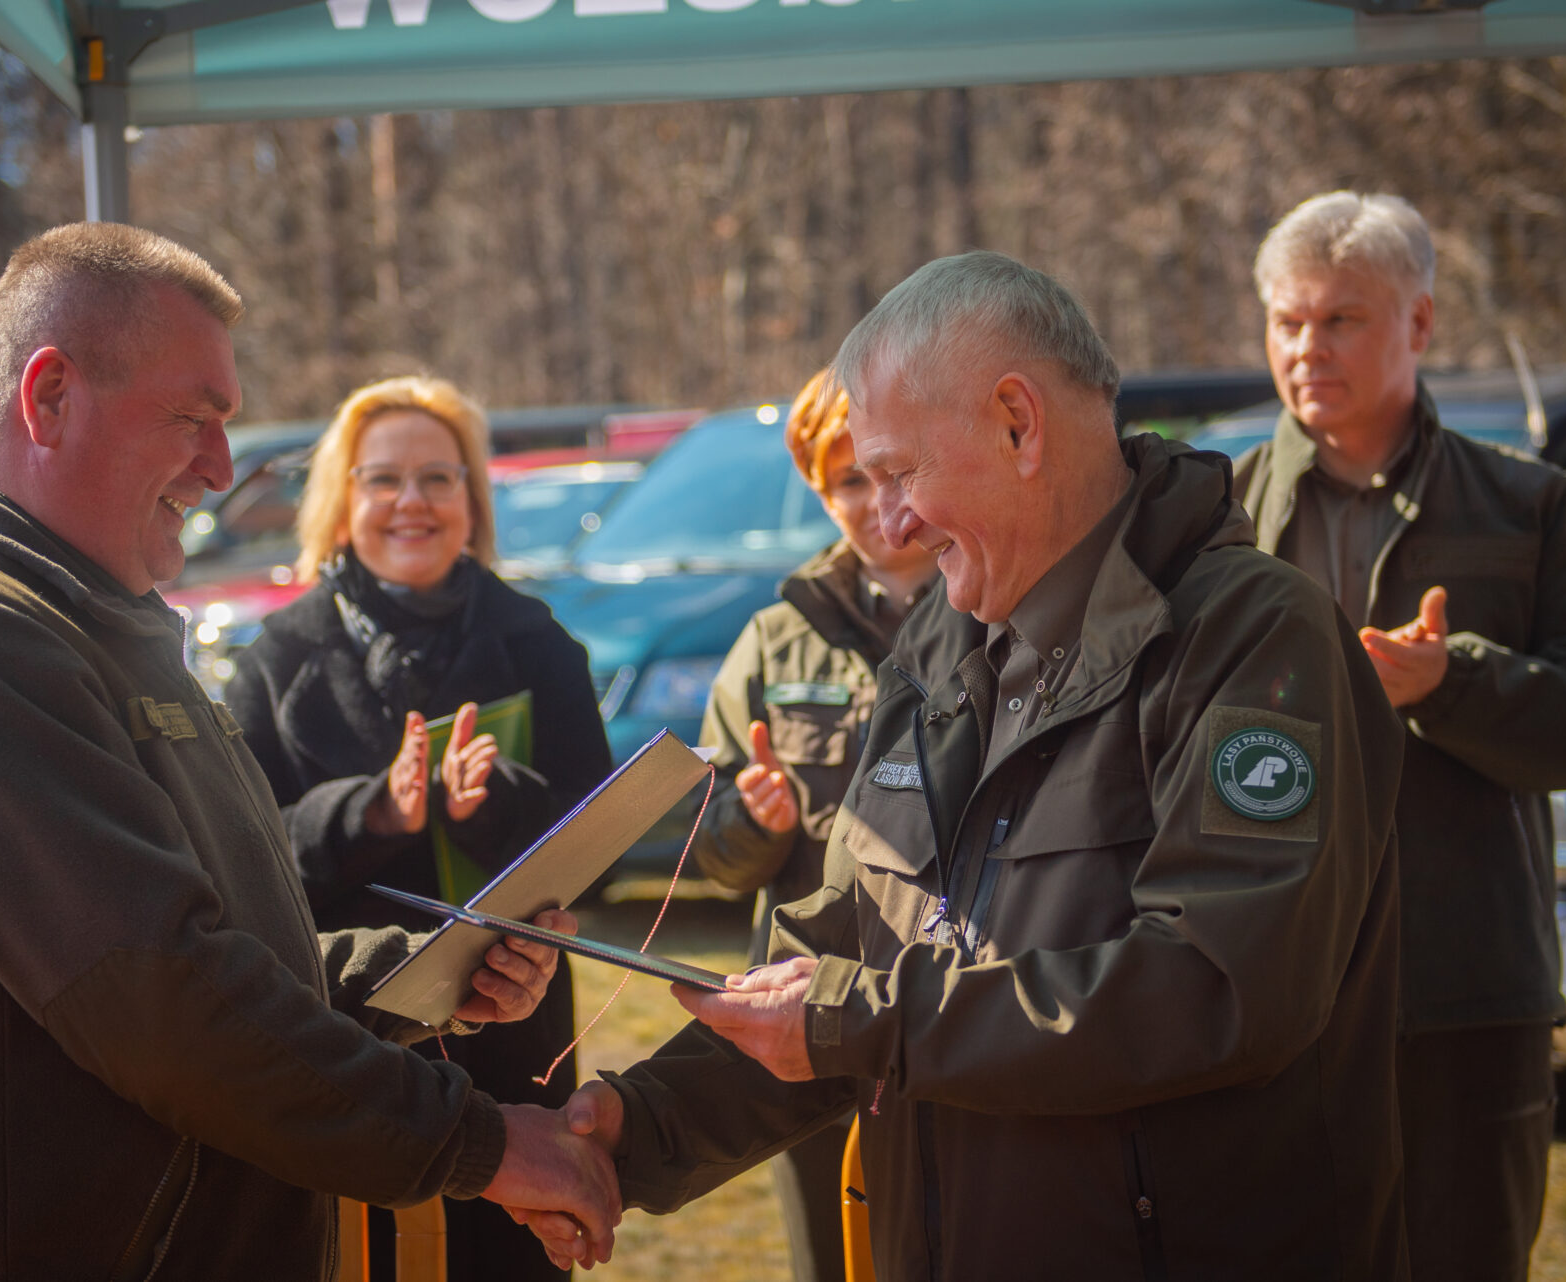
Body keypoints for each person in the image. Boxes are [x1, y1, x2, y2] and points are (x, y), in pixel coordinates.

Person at [533, 249, 1412, 1279]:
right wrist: (639, 1125)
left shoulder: (1255, 640)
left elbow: (1216, 990)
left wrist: (859, 1018)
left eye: (900, 472)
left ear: (1017, 421)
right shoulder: (941, 648)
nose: (889, 522)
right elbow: (845, 947)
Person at [0, 222, 620, 1280]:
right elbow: (160, 992)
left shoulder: (95, 622)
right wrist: (485, 1144)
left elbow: (231, 947)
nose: (223, 469)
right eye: (195, 419)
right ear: (48, 398)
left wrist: (426, 971)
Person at [1229, 190, 1566, 1282]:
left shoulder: (1527, 506)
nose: (1306, 347)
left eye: (1341, 320)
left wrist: (1447, 681)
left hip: (1466, 995)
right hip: (1272, 994)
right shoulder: (1221, 521)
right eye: (1287, 320)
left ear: (1420, 325)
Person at [225, 374, 611, 1282]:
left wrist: (493, 800)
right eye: (383, 479)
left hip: (511, 1034)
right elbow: (241, 845)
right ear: (341, 498)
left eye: (438, 479)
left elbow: (597, 827)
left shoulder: (536, 641)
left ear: (472, 500)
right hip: (342, 1047)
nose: (412, 502)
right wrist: (377, 810)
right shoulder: (280, 656)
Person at [689, 366, 936, 1282]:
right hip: (807, 1015)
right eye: (845, 483)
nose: (876, 504)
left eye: (893, 472)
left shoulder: (998, 608)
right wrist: (758, 823)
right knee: (831, 1258)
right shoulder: (771, 639)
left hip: (946, 1009)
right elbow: (709, 855)